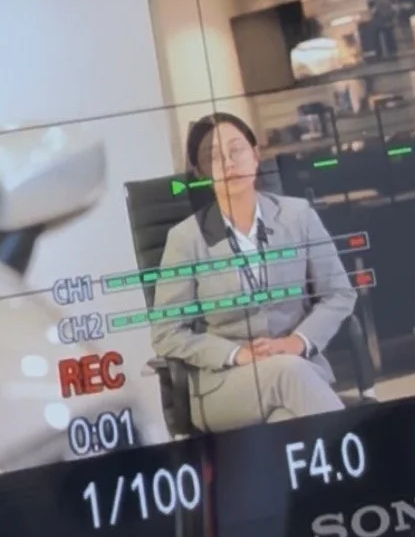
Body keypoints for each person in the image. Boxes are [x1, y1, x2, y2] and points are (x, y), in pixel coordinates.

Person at [151, 112, 356, 430]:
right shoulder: (186, 239)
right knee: (289, 374)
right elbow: (167, 332)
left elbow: (339, 293)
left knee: (288, 422)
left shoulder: (296, 215)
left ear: (256, 155)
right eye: (214, 157)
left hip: (300, 368)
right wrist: (236, 354)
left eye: (237, 149)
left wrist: (296, 342)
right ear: (201, 172)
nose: (229, 163)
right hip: (226, 387)